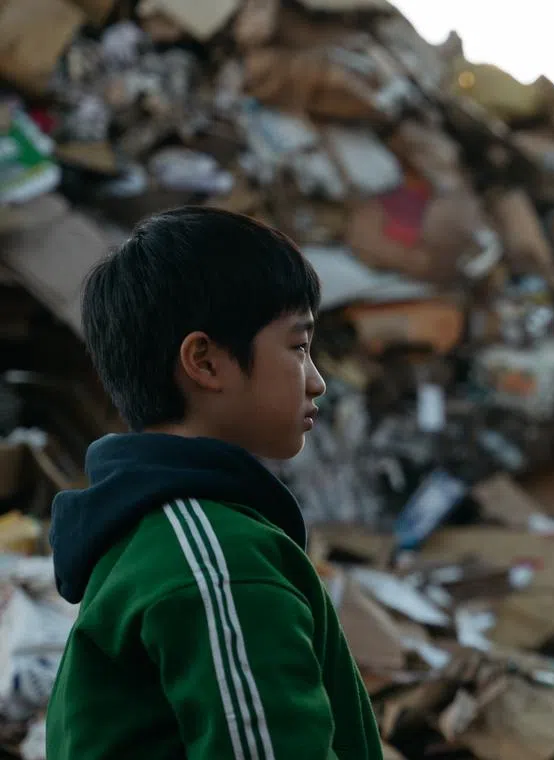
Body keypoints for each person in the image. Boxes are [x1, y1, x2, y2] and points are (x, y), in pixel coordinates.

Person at [44, 207, 384, 760]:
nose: (318, 381)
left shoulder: (149, 536)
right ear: (205, 361)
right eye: (298, 346)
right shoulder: (217, 561)